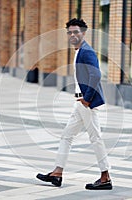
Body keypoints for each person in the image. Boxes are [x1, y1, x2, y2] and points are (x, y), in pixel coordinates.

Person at [36, 18, 112, 190]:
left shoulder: (87, 51)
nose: (72, 35)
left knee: (95, 138)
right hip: (79, 103)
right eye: (69, 32)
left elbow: (96, 76)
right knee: (67, 136)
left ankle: (105, 176)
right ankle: (57, 173)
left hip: (86, 103)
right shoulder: (79, 51)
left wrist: (87, 99)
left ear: (83, 33)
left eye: (76, 32)